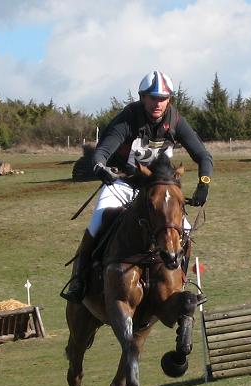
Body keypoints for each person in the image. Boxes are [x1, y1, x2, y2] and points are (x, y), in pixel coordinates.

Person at [61, 70, 213, 303]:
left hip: (157, 187)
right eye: (152, 98)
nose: (157, 103)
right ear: (143, 98)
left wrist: (203, 184)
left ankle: (181, 279)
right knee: (97, 222)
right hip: (123, 181)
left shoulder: (175, 120)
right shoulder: (128, 118)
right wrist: (101, 167)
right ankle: (80, 279)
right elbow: (101, 151)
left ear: (169, 100)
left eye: (162, 98)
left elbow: (203, 156)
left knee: (186, 229)